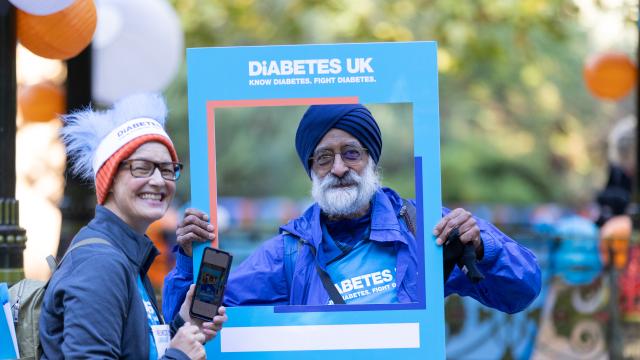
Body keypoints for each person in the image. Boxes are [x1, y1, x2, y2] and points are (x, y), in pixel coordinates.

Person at [163, 104, 541, 320]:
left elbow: (522, 292)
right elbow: (194, 318)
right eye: (324, 158)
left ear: (372, 162)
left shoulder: (423, 227)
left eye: (352, 153)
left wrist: (483, 247)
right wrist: (191, 259)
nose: (339, 168)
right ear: (312, 172)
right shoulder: (290, 251)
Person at [40, 94, 227, 360]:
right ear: (110, 178)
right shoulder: (100, 264)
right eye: (142, 168)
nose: (158, 181)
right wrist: (179, 357)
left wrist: (185, 325)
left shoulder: (127, 258)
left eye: (166, 169)